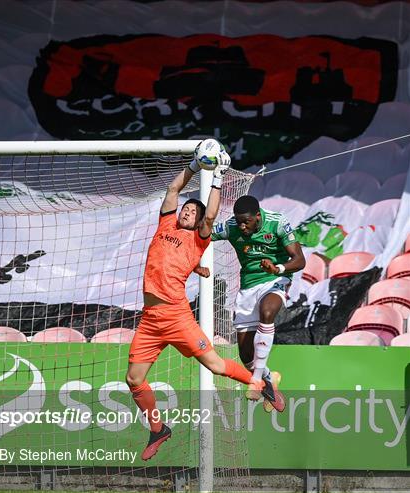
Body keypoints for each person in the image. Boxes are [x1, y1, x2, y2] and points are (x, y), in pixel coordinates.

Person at [126, 148, 267, 461]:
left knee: (216, 366)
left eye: (193, 210)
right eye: (185, 209)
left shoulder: (199, 238)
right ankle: (158, 429)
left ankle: (260, 381)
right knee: (133, 379)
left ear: (200, 220)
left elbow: (213, 215)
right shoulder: (165, 226)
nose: (187, 211)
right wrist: (192, 166)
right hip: (150, 319)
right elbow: (173, 189)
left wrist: (217, 178)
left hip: (176, 317)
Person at [209, 195, 306, 411]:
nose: (242, 226)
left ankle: (256, 380)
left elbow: (299, 260)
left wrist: (277, 269)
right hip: (248, 286)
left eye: (247, 221)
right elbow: (204, 233)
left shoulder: (277, 222)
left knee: (267, 312)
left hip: (275, 279)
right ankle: (269, 378)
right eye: (239, 221)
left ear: (258, 216)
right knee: (245, 354)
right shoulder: (231, 226)